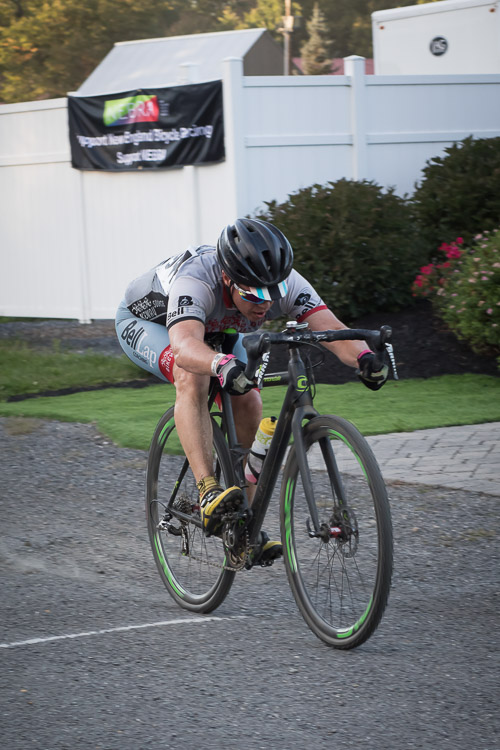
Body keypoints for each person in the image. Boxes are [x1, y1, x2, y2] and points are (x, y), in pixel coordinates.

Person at [116, 218, 387, 562]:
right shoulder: (196, 280)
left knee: (248, 397)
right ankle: (207, 490)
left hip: (220, 326)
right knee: (192, 377)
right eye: (255, 295)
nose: (265, 304)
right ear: (227, 279)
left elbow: (330, 328)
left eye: (272, 294)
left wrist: (364, 358)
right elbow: (183, 346)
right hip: (148, 324)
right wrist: (219, 364)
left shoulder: (284, 283)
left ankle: (242, 526)